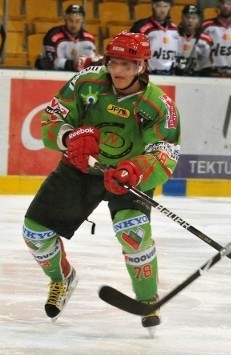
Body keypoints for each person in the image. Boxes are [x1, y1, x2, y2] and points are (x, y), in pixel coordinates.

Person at [23, 32, 181, 332]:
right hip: (81, 169)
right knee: (35, 233)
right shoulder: (86, 83)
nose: (119, 71)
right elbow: (52, 120)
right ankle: (62, 279)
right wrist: (69, 137)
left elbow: (165, 156)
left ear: (142, 66)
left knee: (133, 232)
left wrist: (135, 169)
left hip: (128, 176)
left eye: (128, 65)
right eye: (114, 63)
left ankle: (147, 299)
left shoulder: (158, 105)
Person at [37, 4, 99, 71]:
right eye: (70, 20)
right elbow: (53, 63)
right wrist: (74, 64)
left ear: (82, 21)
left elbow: (90, 61)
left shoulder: (89, 39)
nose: (73, 25)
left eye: (77, 21)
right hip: (52, 75)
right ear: (65, 19)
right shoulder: (53, 36)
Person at [131, 0, 180, 75]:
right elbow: (131, 48)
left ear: (169, 7)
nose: (162, 10)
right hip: (147, 73)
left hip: (170, 74)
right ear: (153, 6)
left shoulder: (174, 28)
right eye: (159, 6)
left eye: (165, 6)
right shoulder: (141, 26)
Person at [174, 4, 213, 76]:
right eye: (187, 17)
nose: (190, 20)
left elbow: (206, 65)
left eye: (194, 18)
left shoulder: (206, 39)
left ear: (199, 20)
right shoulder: (173, 35)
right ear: (182, 18)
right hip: (174, 76)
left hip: (196, 77)